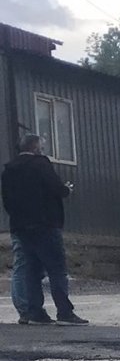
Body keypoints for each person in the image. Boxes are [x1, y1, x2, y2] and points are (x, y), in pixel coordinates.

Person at [1, 134, 87, 325]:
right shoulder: (40, 164)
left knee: (31, 269)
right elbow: (55, 188)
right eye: (42, 146)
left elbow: (6, 200)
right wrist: (66, 190)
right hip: (45, 223)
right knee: (56, 269)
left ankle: (35, 313)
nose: (43, 149)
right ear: (35, 148)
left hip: (21, 225)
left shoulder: (9, 170)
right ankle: (64, 312)